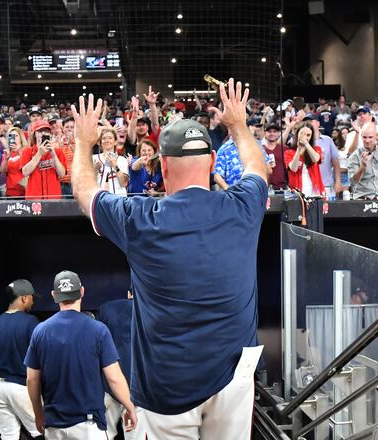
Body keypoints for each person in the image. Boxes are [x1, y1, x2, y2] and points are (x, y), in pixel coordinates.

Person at [70, 80, 266, 438]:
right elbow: (257, 167)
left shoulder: (140, 218)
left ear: (162, 164)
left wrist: (83, 142)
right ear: (210, 161)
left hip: (166, 386)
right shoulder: (243, 207)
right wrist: (238, 125)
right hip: (233, 376)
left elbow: (85, 192)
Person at [25, 270, 137, 439]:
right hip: (88, 425)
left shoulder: (40, 331)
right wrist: (130, 407)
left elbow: (32, 380)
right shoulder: (97, 329)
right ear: (82, 291)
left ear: (54, 295)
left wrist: (39, 414)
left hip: (54, 425)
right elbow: (114, 378)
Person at [0, 279, 42, 440]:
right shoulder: (31, 322)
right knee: (40, 432)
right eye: (32, 297)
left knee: (8, 435)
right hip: (22, 387)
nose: (32, 301)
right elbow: (40, 355)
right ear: (24, 298)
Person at [98, 287, 136, 440]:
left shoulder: (106, 309)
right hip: (138, 390)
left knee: (104, 434)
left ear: (128, 294)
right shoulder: (151, 311)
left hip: (109, 384)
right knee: (134, 434)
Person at [19, 120, 67, 200]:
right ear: (35, 134)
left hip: (53, 196)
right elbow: (25, 172)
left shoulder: (58, 152)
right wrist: (39, 154)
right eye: (40, 131)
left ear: (50, 134)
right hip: (34, 197)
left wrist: (54, 155)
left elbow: (62, 174)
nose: (43, 134)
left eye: (46, 131)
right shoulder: (27, 152)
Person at [347, 122, 378, 200]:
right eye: (364, 137)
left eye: (370, 137)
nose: (367, 140)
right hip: (361, 199)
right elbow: (353, 181)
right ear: (361, 137)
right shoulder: (355, 155)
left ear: (376, 136)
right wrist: (363, 166)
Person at [285, 122, 324, 197]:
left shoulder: (316, 149)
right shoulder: (289, 152)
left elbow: (315, 159)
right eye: (302, 133)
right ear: (297, 134)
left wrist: (306, 144)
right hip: (298, 192)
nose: (305, 137)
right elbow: (293, 168)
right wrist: (298, 150)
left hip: (314, 191)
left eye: (308, 135)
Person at [306, 115, 341, 197]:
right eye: (306, 122)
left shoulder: (327, 140)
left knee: (328, 209)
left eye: (311, 121)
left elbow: (335, 162)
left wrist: (338, 181)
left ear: (318, 123)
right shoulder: (303, 142)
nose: (308, 124)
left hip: (326, 184)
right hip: (309, 185)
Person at [93, 128, 129, 195]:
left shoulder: (122, 159)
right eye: (104, 138)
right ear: (100, 143)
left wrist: (115, 166)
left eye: (110, 138)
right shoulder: (94, 158)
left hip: (118, 198)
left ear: (115, 142)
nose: (107, 140)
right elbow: (89, 183)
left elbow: (124, 183)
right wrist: (95, 169)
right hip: (99, 199)